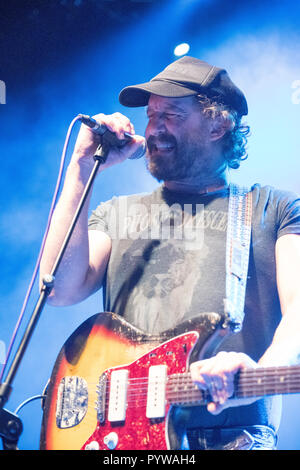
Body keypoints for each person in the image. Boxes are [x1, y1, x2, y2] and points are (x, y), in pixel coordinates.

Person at [40, 56, 300, 450]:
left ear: (218, 124)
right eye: (151, 115)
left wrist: (260, 372)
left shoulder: (273, 209)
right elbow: (59, 288)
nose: (153, 129)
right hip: (122, 437)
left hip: (230, 437)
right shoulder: (117, 212)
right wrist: (80, 169)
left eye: (171, 115)